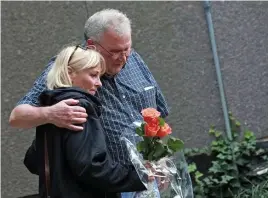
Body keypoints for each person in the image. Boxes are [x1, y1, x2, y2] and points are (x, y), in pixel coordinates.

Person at [9, 9, 169, 197]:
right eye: (115, 52)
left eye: (127, 49)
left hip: (147, 178)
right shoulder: (71, 67)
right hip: (113, 185)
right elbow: (16, 116)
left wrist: (161, 159)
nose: (124, 59)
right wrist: (50, 114)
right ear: (92, 45)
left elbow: (158, 114)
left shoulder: (134, 59)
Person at [24, 45, 149, 198]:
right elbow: (91, 168)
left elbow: (32, 161)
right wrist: (140, 176)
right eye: (93, 75)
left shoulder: (53, 109)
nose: (99, 83)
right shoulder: (78, 108)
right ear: (70, 73)